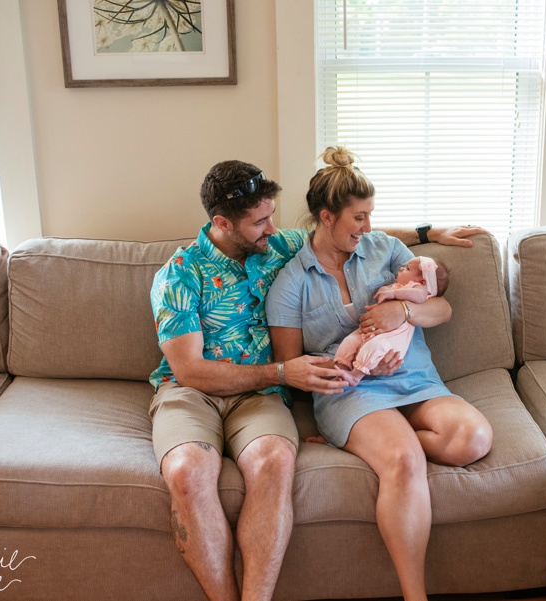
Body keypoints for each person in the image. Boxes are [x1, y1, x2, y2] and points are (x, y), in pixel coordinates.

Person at [149, 158, 484, 601]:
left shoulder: (275, 244)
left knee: (274, 462)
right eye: (260, 222)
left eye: (272, 216)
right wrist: (284, 372)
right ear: (223, 223)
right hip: (195, 391)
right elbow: (190, 370)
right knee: (188, 473)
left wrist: (429, 233)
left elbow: (354, 232)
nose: (273, 229)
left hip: (260, 396)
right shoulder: (179, 274)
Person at [266, 147, 493, 601]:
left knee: (473, 439)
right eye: (359, 218)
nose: (368, 226)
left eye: (370, 215)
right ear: (326, 217)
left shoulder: (386, 250)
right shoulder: (292, 282)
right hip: (351, 392)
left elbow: (441, 309)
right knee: (404, 460)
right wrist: (354, 366)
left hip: (415, 379)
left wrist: (402, 312)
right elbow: (293, 371)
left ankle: (373, 440)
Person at [333, 255, 449, 386]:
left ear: (422, 281)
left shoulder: (418, 289)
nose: (401, 268)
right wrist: (384, 290)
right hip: (369, 330)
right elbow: (385, 289)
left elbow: (421, 297)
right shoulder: (396, 285)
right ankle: (340, 370)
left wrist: (395, 296)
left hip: (391, 336)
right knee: (350, 341)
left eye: (407, 268)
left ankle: (355, 376)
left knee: (374, 347)